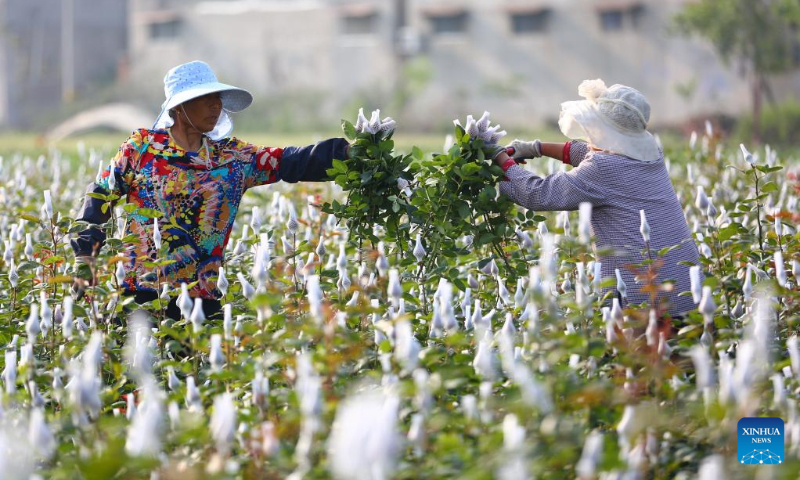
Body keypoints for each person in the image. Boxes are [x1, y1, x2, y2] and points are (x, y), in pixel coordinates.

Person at [71, 60, 351, 320]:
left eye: (217, 99)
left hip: (201, 298)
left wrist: (352, 152)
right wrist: (85, 255)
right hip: (142, 296)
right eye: (205, 99)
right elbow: (100, 194)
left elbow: (293, 161)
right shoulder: (142, 148)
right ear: (179, 107)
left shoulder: (232, 158)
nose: (215, 106)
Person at [492, 79, 700, 317]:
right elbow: (589, 153)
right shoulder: (650, 157)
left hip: (644, 302)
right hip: (688, 292)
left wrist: (501, 159)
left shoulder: (603, 169)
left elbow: (537, 193)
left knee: (633, 353)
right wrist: (535, 147)